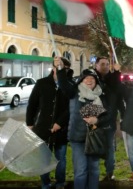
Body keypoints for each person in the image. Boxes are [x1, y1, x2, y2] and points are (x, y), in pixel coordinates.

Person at [55, 57, 111, 189]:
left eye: (92, 78)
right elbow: (63, 83)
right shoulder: (74, 92)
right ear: (81, 80)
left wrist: (97, 120)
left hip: (95, 137)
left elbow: (108, 115)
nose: (89, 80)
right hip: (78, 138)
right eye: (86, 78)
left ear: (96, 81)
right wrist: (60, 69)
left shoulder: (101, 95)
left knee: (94, 170)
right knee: (81, 171)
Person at [26, 57, 72, 189]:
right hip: (42, 128)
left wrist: (59, 123)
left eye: (65, 69)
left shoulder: (68, 86)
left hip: (61, 130)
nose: (63, 71)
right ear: (54, 68)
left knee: (60, 159)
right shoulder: (41, 83)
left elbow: (70, 108)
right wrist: (30, 123)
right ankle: (45, 183)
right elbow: (32, 105)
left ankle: (60, 183)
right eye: (60, 67)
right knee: (43, 159)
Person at [94, 56, 125, 181]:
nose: (105, 66)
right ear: (96, 65)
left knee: (109, 147)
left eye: (107, 64)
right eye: (102, 64)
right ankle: (94, 173)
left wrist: (117, 73)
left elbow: (118, 94)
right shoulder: (91, 78)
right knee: (93, 147)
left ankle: (109, 173)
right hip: (94, 120)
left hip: (109, 119)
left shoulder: (113, 78)